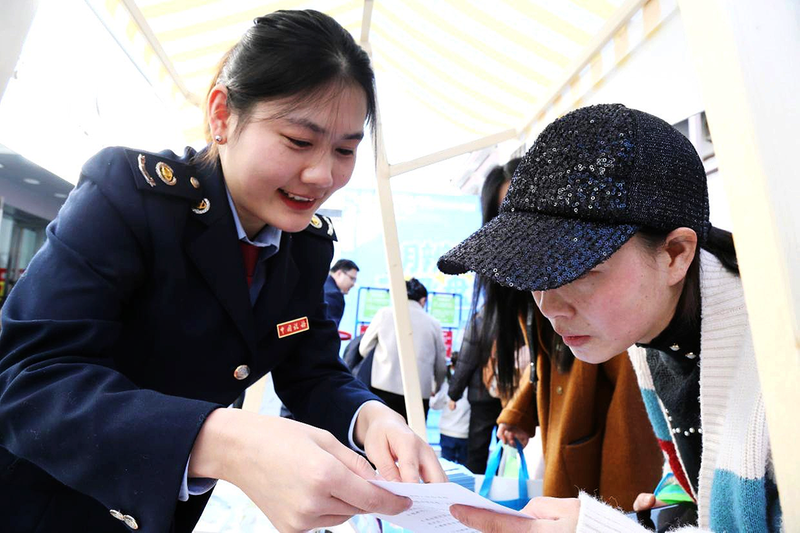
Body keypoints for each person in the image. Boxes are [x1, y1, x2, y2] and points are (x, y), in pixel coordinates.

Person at [0, 10, 446, 533]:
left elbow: (313, 371)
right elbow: (27, 379)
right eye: (299, 141)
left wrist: (370, 418)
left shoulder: (305, 247)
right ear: (222, 115)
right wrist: (223, 442)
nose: (323, 174)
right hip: (40, 505)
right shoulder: (130, 198)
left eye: (345, 150)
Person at [439, 104, 782, 531]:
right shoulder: (652, 329)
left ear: (676, 254)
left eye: (580, 271)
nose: (549, 306)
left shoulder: (780, 360)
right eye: (533, 273)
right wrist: (679, 495)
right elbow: (702, 459)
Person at [359, 278, 447, 421]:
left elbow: (364, 348)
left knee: (381, 429)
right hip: (419, 393)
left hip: (382, 386)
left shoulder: (385, 314)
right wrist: (436, 387)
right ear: (423, 300)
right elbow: (441, 365)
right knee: (413, 432)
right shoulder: (434, 323)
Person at [430, 352, 471, 466]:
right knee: (464, 466)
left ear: (452, 367)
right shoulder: (472, 387)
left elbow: (434, 404)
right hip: (465, 433)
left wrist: (433, 393)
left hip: (447, 431)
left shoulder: (446, 386)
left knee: (447, 466)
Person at [325, 258, 359, 327]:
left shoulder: (322, 283)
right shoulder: (334, 295)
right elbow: (329, 328)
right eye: (352, 279)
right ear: (339, 273)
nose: (353, 284)